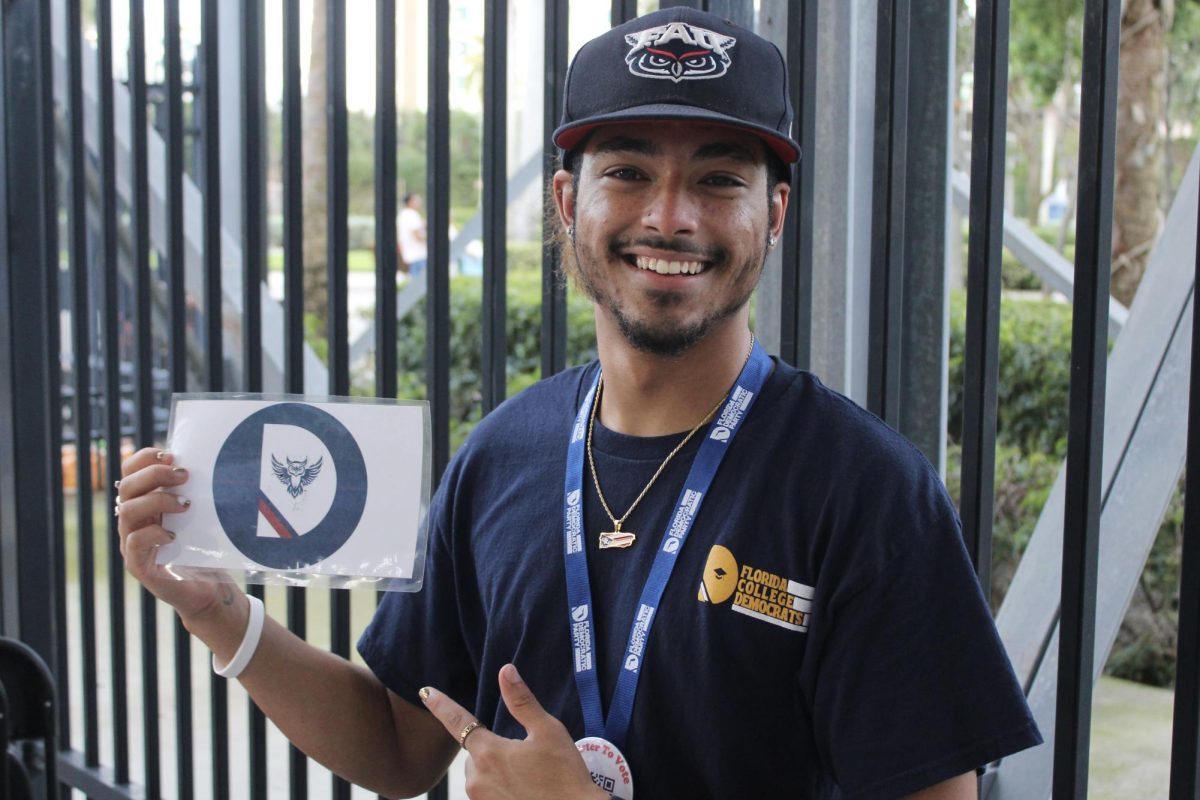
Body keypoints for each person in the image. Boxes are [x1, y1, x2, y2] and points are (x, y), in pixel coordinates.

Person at [116, 8, 1040, 799]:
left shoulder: (867, 493)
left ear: (776, 212)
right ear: (568, 200)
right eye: (628, 171)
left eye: (720, 178)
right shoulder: (505, 454)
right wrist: (219, 616)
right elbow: (401, 745)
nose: (670, 215)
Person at [399, 192, 428, 277]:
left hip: (410, 255)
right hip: (418, 255)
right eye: (417, 200)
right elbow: (418, 236)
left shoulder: (403, 214)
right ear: (410, 202)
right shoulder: (412, 215)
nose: (420, 202)